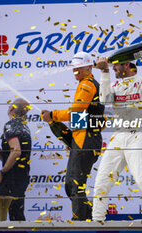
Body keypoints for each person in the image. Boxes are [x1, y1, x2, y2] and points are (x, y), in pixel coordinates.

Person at [92, 45, 142, 221]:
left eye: (115, 66)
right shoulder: (115, 85)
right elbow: (104, 99)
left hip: (138, 136)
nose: (113, 68)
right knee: (101, 182)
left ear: (126, 65)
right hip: (118, 137)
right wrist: (104, 72)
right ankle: (97, 222)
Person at [41, 52, 105, 221]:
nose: (75, 71)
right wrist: (71, 138)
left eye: (78, 68)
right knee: (72, 186)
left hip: (87, 140)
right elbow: (88, 118)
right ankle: (91, 220)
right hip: (85, 140)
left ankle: (81, 224)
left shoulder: (87, 85)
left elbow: (77, 111)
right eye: (74, 69)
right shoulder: (89, 84)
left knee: (75, 186)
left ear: (89, 67)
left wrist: (53, 115)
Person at [0, 98, 32, 221]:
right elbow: (8, 156)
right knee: (16, 217)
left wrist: (2, 173)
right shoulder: (24, 127)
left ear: (11, 108)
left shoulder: (11, 125)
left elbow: (16, 151)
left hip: (11, 178)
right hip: (21, 177)